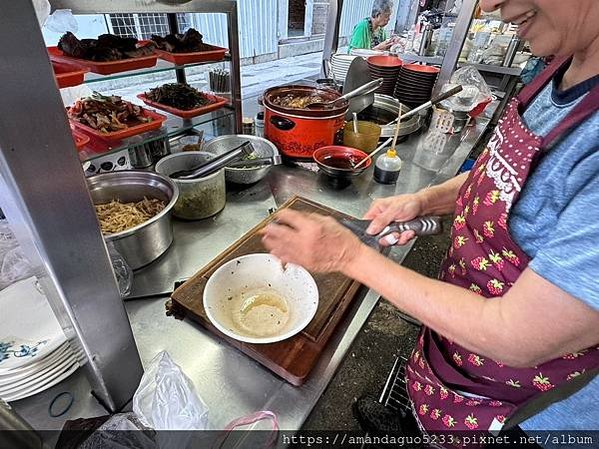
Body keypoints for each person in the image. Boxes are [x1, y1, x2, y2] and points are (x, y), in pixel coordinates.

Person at [263, 0, 599, 443]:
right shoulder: (561, 66)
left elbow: (518, 338)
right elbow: (496, 176)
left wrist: (346, 254)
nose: (493, 6)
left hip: (528, 415)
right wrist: (423, 200)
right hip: (461, 336)